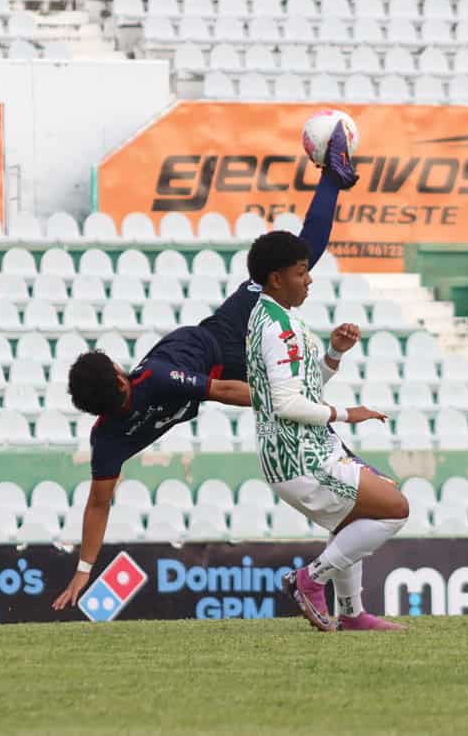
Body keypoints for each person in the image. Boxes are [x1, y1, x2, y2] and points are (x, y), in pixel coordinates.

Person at [52, 121, 359, 612]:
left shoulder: (107, 437)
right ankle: (332, 178)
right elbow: (223, 391)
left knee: (301, 258)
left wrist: (83, 571)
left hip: (223, 347)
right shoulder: (153, 380)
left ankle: (332, 178)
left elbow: (98, 502)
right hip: (227, 339)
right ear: (118, 376)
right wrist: (287, 403)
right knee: (302, 257)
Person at [245, 230, 408, 632]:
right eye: (301, 272)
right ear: (276, 278)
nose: (309, 280)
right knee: (395, 509)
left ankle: (351, 613)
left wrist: (333, 354)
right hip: (300, 456)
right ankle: (310, 579)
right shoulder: (277, 328)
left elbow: (301, 389)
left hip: (307, 448)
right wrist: (347, 413)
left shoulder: (278, 318)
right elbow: (287, 404)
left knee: (359, 517)